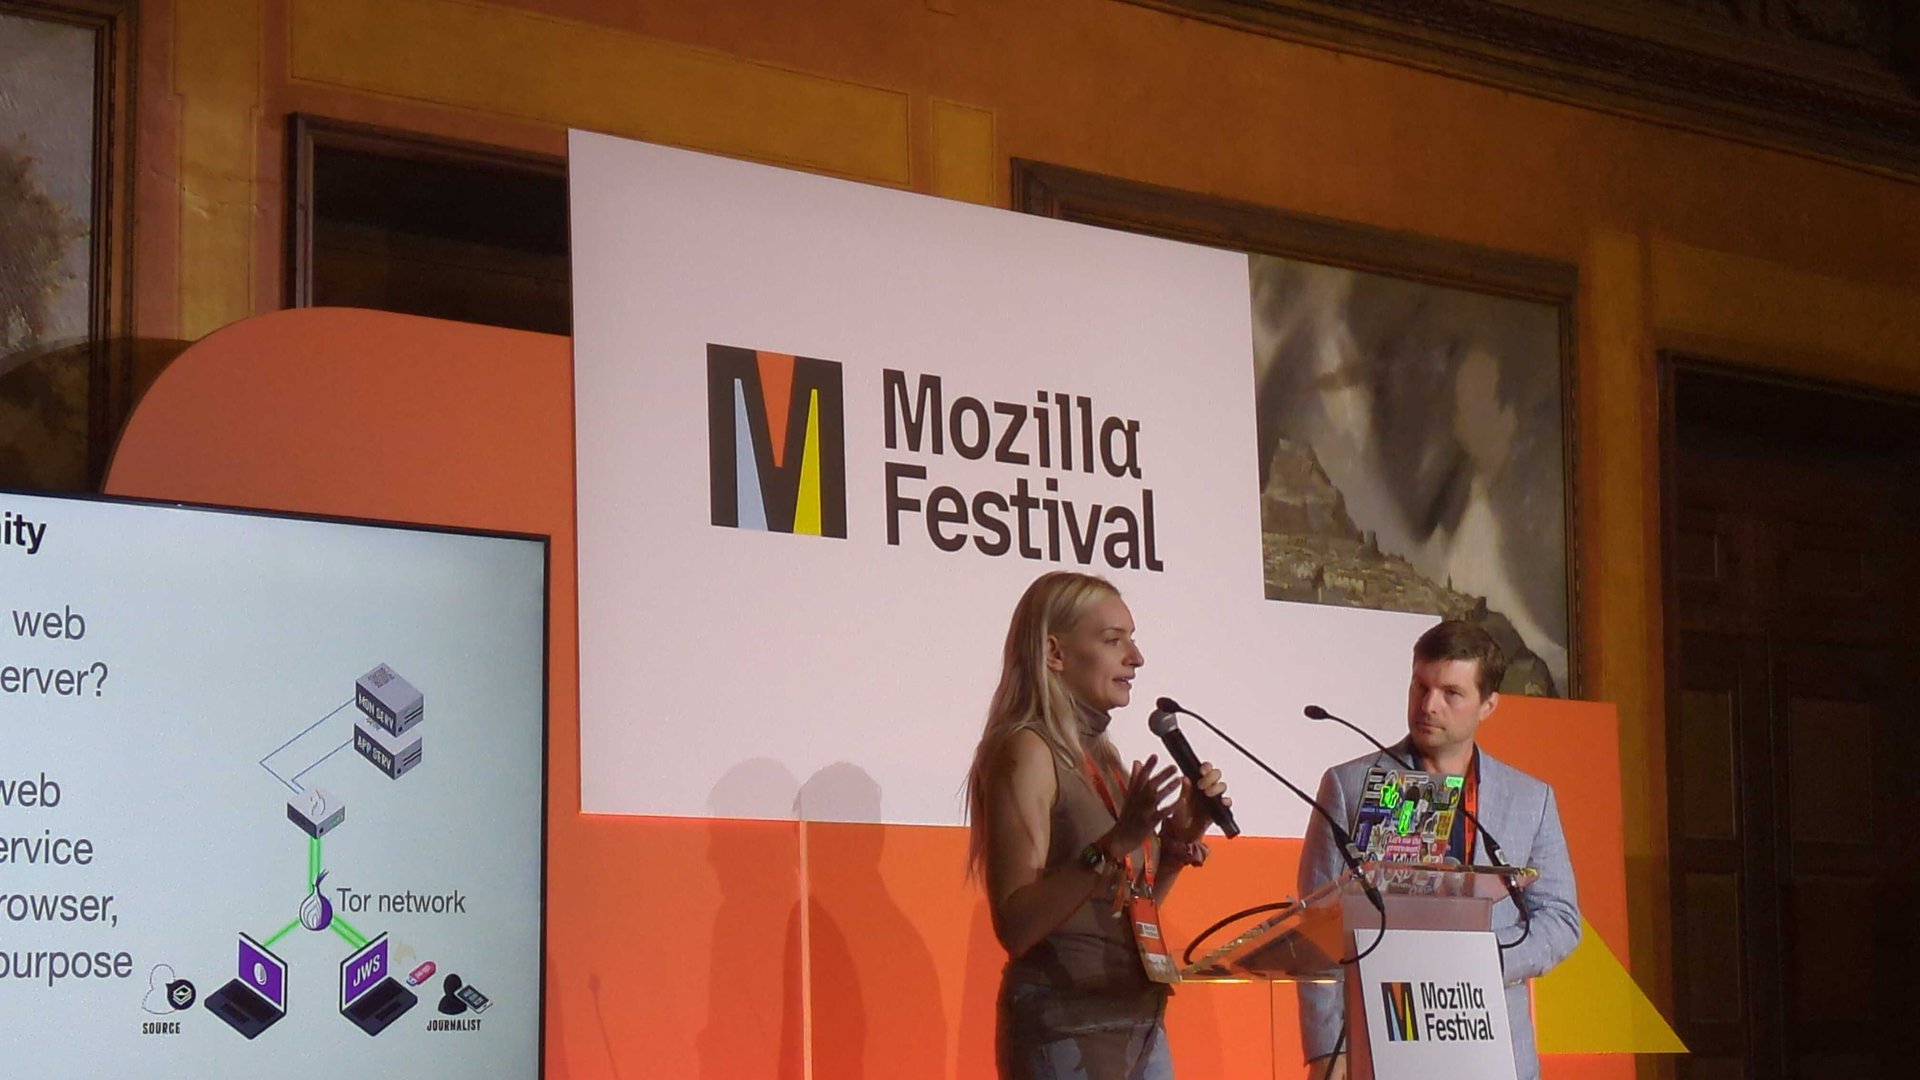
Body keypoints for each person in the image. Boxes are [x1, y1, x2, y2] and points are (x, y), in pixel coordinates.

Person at [966, 571, 1230, 1080]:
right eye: (1113, 640)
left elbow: (1121, 908)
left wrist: (1176, 845)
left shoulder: (1104, 759)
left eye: (1132, 638)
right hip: (1066, 1027)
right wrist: (1113, 844)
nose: (1136, 657)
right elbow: (1016, 925)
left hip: (1139, 1022)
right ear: (1054, 652)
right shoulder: (1027, 750)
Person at [1297, 620, 1580, 1080]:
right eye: (1420, 686)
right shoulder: (1349, 786)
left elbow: (1560, 918)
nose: (1428, 705)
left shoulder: (1530, 799)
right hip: (1382, 1043)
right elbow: (1317, 925)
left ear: (1488, 705)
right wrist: (1328, 1051)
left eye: (1451, 693)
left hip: (1492, 1044)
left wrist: (1483, 962)